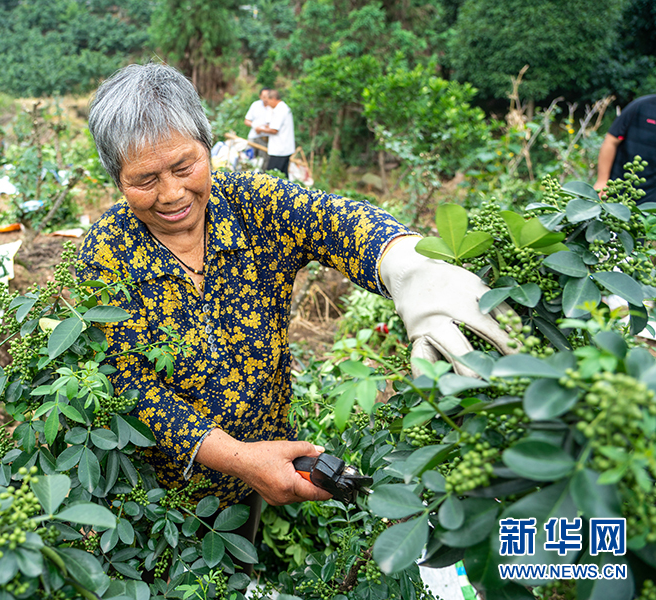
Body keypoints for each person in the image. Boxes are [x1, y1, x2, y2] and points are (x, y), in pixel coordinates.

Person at [80, 63, 513, 558]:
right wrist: (240, 458)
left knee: (236, 564)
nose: (172, 194)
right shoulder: (102, 256)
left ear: (208, 146)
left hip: (255, 477)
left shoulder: (253, 204)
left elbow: (333, 221)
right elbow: (128, 387)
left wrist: (403, 263)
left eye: (184, 167)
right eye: (145, 180)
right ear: (116, 178)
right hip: (155, 497)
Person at [595, 94, 656, 204]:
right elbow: (611, 140)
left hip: (651, 200)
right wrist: (602, 181)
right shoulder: (641, 106)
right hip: (618, 190)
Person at [254, 89, 296, 177]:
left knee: (272, 176)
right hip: (284, 148)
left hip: (280, 150)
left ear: (273, 99)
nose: (267, 103)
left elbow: (274, 130)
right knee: (283, 176)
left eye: (268, 101)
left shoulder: (280, 110)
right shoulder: (283, 108)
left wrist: (260, 129)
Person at [243, 88, 272, 166]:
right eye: (264, 96)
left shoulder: (272, 107)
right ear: (260, 96)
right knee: (248, 158)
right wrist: (255, 126)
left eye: (268, 96)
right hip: (253, 136)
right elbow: (247, 120)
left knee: (263, 161)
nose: (266, 99)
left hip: (265, 138)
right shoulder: (256, 105)